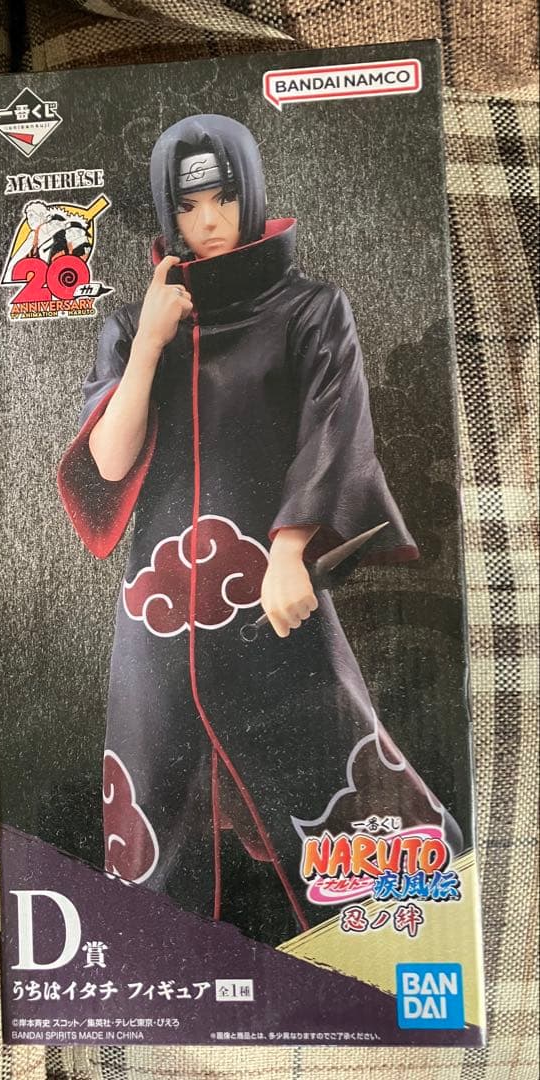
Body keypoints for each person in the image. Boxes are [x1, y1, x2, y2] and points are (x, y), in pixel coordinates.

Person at [58, 114, 461, 944]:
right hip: (159, 611)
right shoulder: (132, 325)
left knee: (329, 760)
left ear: (250, 194)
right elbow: (108, 459)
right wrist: (149, 345)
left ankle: (400, 931)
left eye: (223, 198)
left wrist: (289, 550)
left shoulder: (311, 309)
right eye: (187, 205)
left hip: (267, 588)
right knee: (155, 802)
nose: (207, 221)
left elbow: (333, 431)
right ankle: (165, 964)